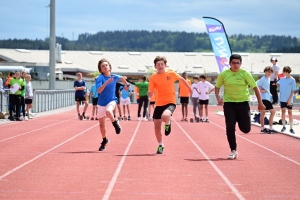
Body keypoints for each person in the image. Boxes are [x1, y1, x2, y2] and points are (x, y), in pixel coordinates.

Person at [215, 54, 265, 160]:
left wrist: (260, 103)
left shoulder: (245, 74)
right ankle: (233, 150)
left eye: (238, 63)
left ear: (241, 64)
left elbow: (255, 88)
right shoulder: (224, 74)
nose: (235, 65)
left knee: (246, 129)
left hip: (243, 103)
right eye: (233, 63)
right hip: (229, 104)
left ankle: (239, 118)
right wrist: (218, 98)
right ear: (230, 63)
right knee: (230, 127)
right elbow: (217, 87)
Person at [148, 56, 192, 154]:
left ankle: (168, 123)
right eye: (158, 64)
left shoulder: (171, 73)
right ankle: (160, 144)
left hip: (170, 101)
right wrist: (150, 93)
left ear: (165, 65)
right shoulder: (153, 77)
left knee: (165, 116)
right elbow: (150, 89)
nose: (160, 66)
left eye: (162, 64)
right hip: (159, 103)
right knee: (156, 127)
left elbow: (181, 79)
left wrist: (189, 88)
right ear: (155, 66)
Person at [96, 58, 128, 151]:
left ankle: (115, 123)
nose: (105, 67)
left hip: (112, 100)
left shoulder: (114, 76)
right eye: (103, 66)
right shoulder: (100, 78)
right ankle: (105, 140)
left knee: (109, 112)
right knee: (102, 126)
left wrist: (126, 85)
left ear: (109, 67)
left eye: (106, 65)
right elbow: (99, 90)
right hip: (101, 103)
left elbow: (122, 78)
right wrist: (107, 82)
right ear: (101, 69)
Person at [256, 66, 277, 133]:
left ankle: (271, 128)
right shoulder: (263, 79)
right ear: (265, 71)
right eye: (268, 72)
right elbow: (255, 85)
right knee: (263, 112)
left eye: (270, 72)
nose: (269, 73)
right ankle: (262, 128)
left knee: (273, 112)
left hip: (267, 98)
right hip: (264, 98)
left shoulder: (268, 79)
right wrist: (261, 90)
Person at [277, 66, 296, 134]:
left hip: (289, 99)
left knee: (290, 112)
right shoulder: (282, 79)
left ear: (287, 72)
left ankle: (291, 128)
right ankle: (284, 126)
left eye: (284, 72)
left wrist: (289, 99)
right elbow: (277, 84)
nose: (283, 73)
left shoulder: (292, 80)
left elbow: (293, 91)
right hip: (282, 99)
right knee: (283, 112)